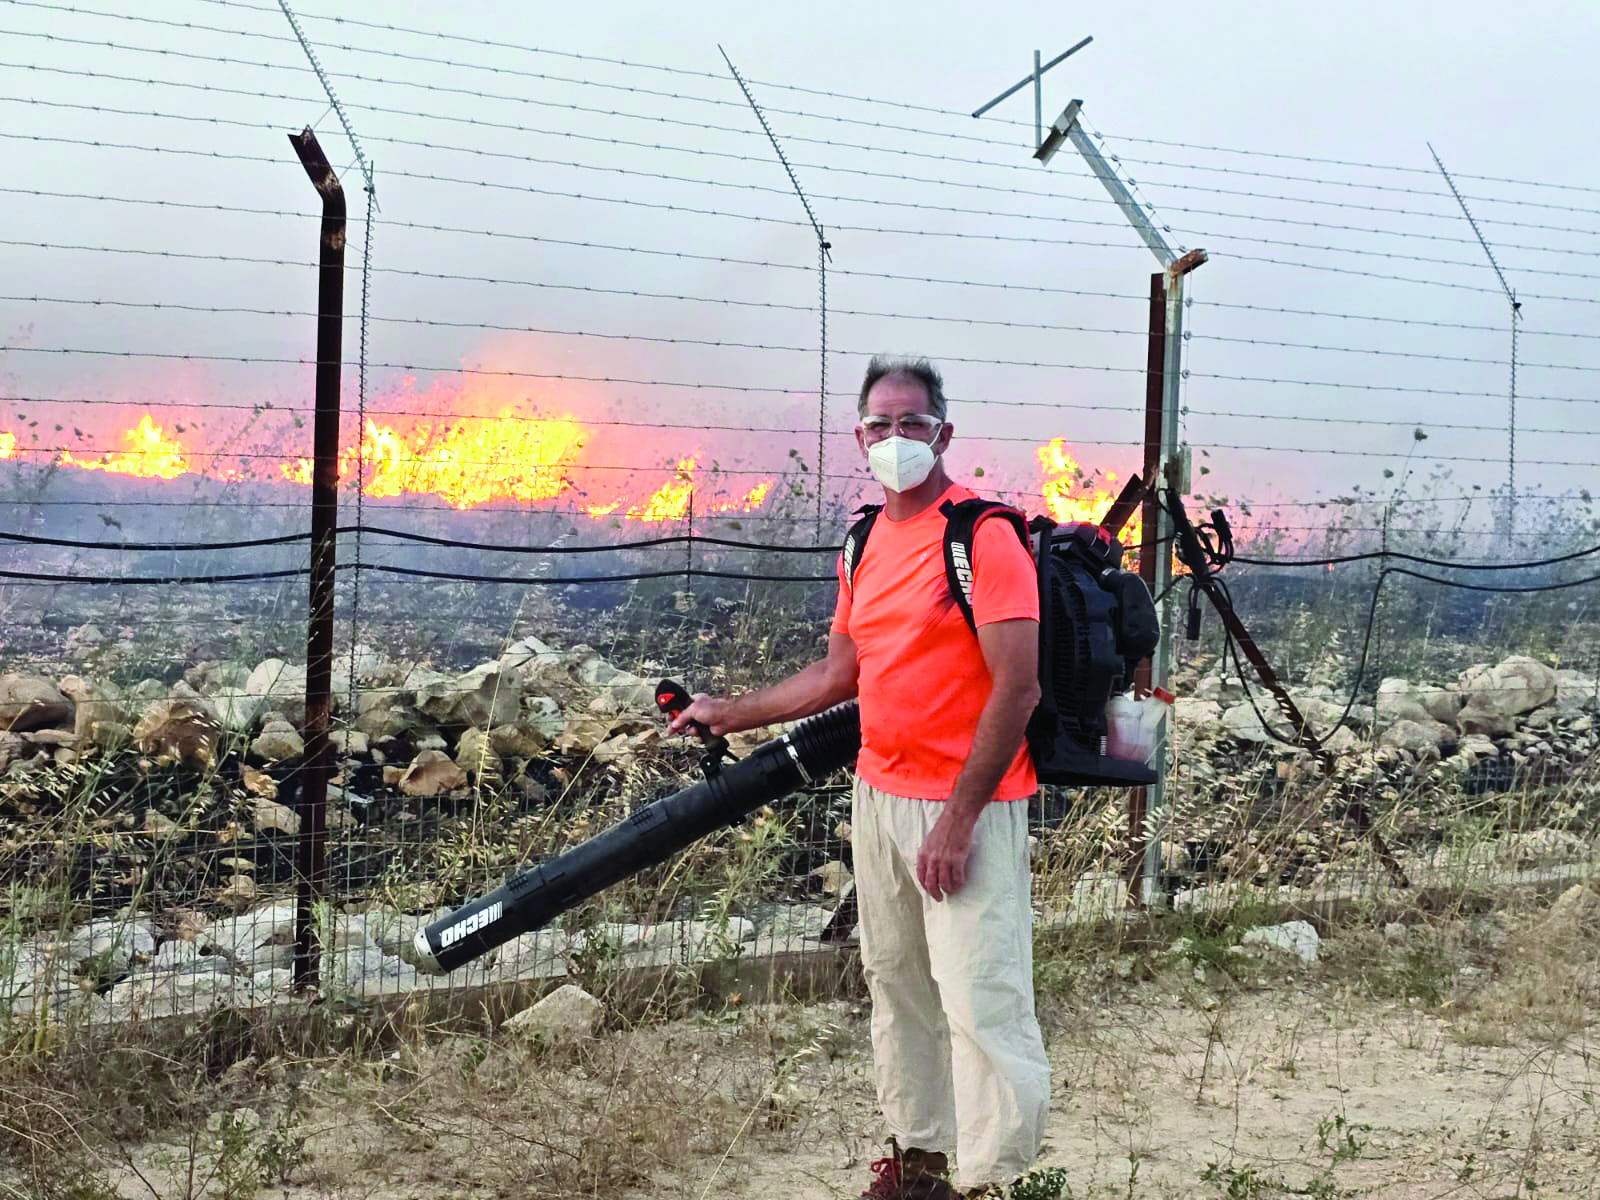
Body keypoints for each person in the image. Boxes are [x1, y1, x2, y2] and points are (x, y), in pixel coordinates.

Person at [669, 355, 1050, 1198]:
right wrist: (729, 710)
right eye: (880, 423)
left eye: (913, 422)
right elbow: (841, 673)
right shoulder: (864, 540)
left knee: (980, 997)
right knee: (899, 987)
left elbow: (1017, 686)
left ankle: (994, 1179)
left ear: (943, 433)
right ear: (859, 436)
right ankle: (919, 1163)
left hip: (968, 810)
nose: (896, 437)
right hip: (879, 796)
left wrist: (956, 821)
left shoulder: (983, 537)